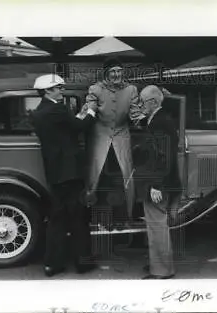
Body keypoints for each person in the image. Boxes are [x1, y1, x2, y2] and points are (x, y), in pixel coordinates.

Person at [31, 74, 97, 277]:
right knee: (78, 217)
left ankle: (52, 264)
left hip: (55, 172)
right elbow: (79, 127)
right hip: (70, 172)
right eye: (58, 88)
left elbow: (64, 129)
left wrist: (77, 117)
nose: (61, 90)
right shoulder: (58, 109)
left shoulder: (39, 112)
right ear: (48, 90)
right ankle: (83, 262)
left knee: (57, 219)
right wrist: (91, 111)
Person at [79, 57, 144, 225]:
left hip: (122, 136)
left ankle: (123, 217)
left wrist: (147, 119)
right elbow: (90, 109)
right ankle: (98, 216)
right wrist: (81, 119)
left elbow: (135, 113)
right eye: (113, 71)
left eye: (119, 71)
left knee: (124, 177)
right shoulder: (96, 89)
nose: (117, 74)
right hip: (100, 137)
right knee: (98, 176)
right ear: (106, 73)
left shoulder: (131, 90)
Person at [138, 85, 181, 279]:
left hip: (158, 183)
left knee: (157, 225)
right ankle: (158, 266)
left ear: (153, 102)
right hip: (161, 181)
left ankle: (162, 271)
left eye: (142, 102)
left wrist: (156, 184)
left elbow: (164, 156)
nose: (140, 105)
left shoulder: (160, 122)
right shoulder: (158, 119)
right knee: (155, 225)